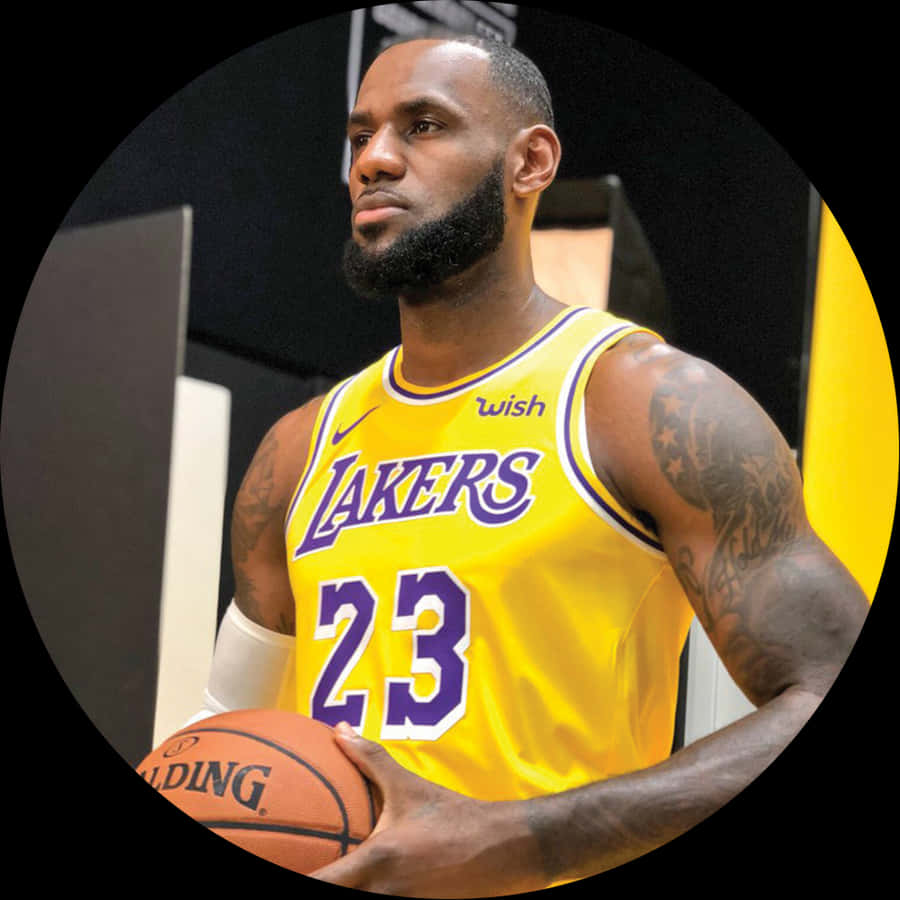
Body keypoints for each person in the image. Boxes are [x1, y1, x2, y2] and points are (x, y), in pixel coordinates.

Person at [192, 33, 870, 895]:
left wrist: (514, 841)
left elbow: (819, 688)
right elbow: (226, 724)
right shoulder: (298, 448)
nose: (375, 160)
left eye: (424, 125)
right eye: (361, 136)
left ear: (531, 162)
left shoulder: (644, 403)